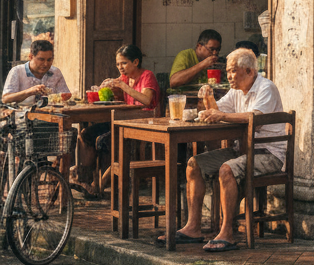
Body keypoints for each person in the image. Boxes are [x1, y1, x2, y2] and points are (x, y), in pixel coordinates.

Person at [164, 48, 286, 253]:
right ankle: (193, 227)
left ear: (249, 71)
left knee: (226, 170)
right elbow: (219, 110)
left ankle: (227, 232)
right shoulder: (237, 90)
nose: (228, 76)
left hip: (268, 154)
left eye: (232, 71)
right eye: (228, 72)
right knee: (194, 164)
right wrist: (209, 99)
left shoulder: (266, 88)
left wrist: (219, 116)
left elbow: (252, 119)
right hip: (242, 150)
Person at [71, 44, 159, 199]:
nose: (120, 67)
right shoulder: (124, 78)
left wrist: (122, 86)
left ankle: (99, 184)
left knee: (109, 140)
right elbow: (115, 87)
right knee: (86, 134)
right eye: (118, 64)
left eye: (124, 63)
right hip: (123, 121)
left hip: (142, 123)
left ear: (136, 62)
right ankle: (84, 179)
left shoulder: (147, 75)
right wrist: (104, 87)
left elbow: (146, 100)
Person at [1, 40, 69, 105]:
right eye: (41, 59)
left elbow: (65, 96)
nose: (45, 64)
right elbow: (5, 99)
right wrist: (29, 92)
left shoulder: (56, 72)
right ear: (31, 57)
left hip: (50, 113)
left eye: (49, 60)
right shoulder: (17, 71)